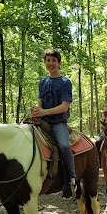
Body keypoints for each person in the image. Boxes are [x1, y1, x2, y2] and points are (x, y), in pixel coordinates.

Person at [31, 49, 76, 199]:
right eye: (48, 60)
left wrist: (43, 112)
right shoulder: (42, 83)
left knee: (64, 145)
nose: (51, 63)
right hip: (43, 121)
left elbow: (64, 107)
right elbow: (40, 104)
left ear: (59, 63)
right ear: (45, 63)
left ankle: (71, 180)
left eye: (53, 60)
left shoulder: (65, 82)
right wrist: (36, 112)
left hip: (58, 122)